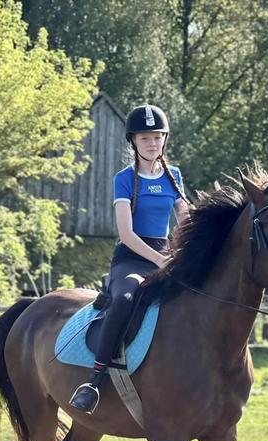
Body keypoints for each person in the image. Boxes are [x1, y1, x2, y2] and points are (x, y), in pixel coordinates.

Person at [69, 104, 190, 414]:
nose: (152, 143)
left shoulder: (174, 176)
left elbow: (186, 219)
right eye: (145, 138)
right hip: (133, 257)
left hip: (167, 254)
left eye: (157, 137)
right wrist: (159, 260)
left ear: (165, 139)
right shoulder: (124, 179)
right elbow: (126, 234)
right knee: (124, 299)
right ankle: (95, 380)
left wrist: (185, 250)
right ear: (133, 141)